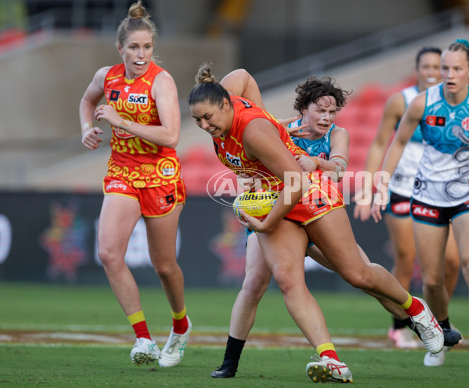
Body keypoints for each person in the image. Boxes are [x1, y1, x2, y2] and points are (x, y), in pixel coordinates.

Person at [189, 65, 446, 383]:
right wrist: (270, 122)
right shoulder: (225, 110)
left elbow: (297, 181)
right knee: (286, 280)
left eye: (207, 118)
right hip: (277, 196)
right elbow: (241, 75)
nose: (203, 125)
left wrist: (267, 224)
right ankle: (331, 359)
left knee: (357, 274)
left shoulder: (253, 131)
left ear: (225, 104)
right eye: (197, 120)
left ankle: (415, 308)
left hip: (308, 192)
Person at [372, 39, 469, 369]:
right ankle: (443, 336)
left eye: (453, 69)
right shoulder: (422, 103)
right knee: (432, 280)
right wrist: (383, 181)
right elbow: (398, 143)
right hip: (426, 196)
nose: (447, 75)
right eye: (444, 69)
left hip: (468, 195)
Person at [79, 0, 191, 368]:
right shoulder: (106, 76)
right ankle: (143, 339)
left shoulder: (162, 80)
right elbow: (87, 100)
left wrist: (120, 121)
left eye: (147, 47)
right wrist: (87, 128)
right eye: (134, 48)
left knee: (164, 266)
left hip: (160, 176)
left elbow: (171, 136)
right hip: (123, 172)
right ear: (120, 49)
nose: (141, 55)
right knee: (109, 253)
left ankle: (180, 324)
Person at [353, 47, 461, 349]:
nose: (430, 71)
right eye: (424, 65)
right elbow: (378, 145)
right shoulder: (401, 101)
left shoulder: (454, 101)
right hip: (402, 188)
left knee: (452, 261)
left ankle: (437, 319)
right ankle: (400, 326)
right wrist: (368, 188)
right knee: (406, 257)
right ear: (416, 69)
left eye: (435, 66)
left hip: (439, 191)